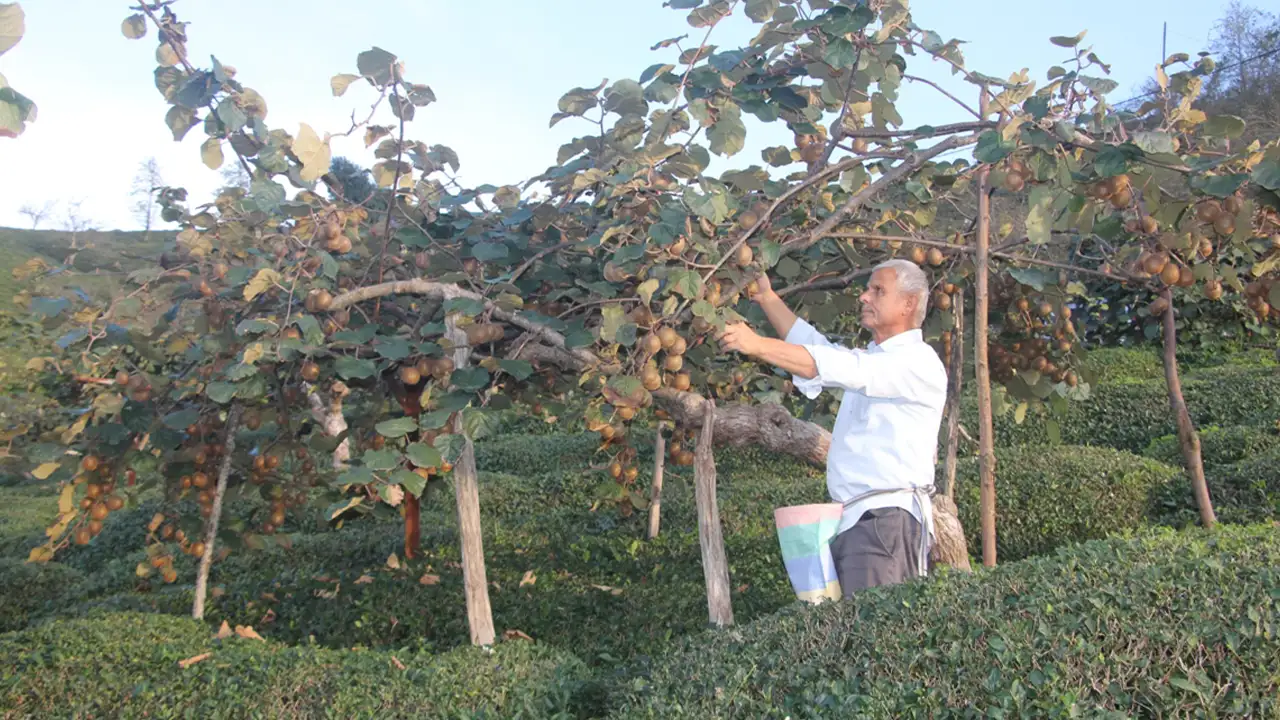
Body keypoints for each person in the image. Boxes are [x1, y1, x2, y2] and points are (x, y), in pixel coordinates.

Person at [717, 258, 947, 596]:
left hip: (885, 523)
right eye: (868, 289)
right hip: (861, 522)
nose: (865, 297)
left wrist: (757, 345)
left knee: (875, 636)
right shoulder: (877, 359)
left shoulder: (917, 361)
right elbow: (820, 350)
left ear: (908, 303)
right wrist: (767, 297)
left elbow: (833, 364)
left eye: (877, 291)